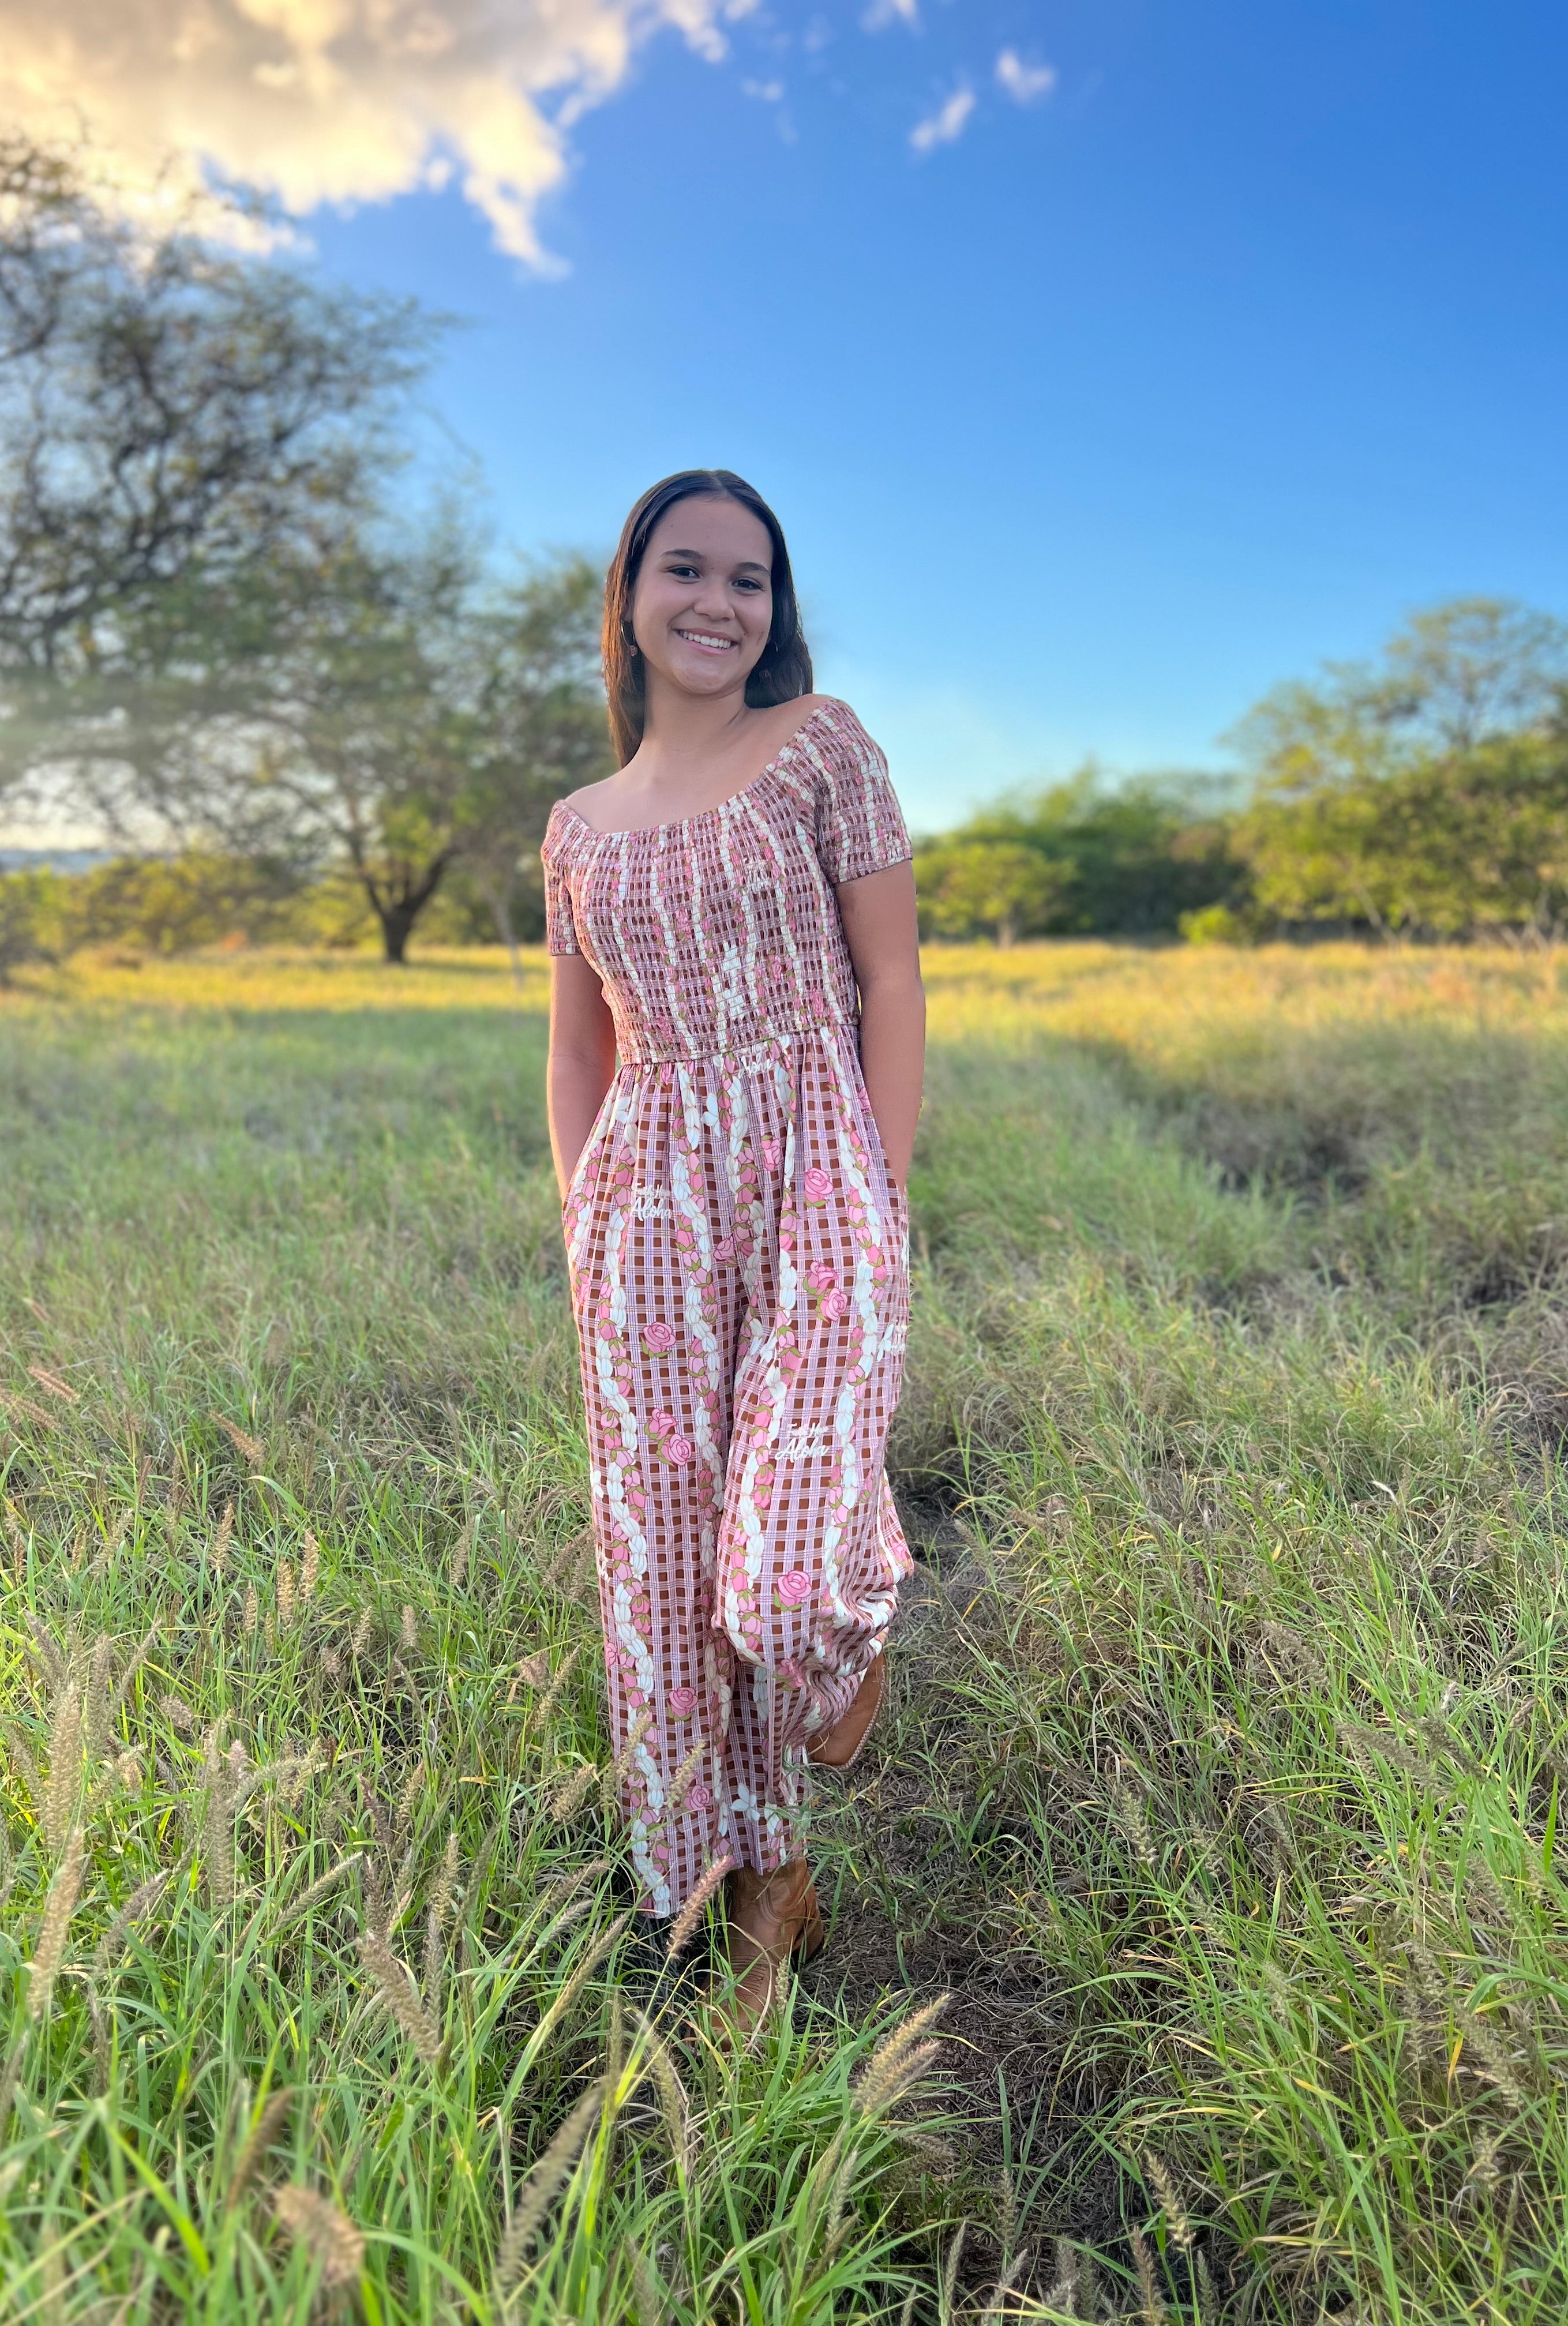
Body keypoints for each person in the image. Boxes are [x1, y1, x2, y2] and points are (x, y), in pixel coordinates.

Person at [543, 468, 924, 2029]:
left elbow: (891, 984)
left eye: (750, 580)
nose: (718, 602)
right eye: (685, 570)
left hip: (815, 1167)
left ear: (777, 610)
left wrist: (879, 1194)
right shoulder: (575, 829)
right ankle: (757, 1881)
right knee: (668, 1573)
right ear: (630, 597)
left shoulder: (820, 748)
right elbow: (578, 1047)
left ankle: (845, 1639)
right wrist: (583, 1213)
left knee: (775, 1570)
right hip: (641, 1211)